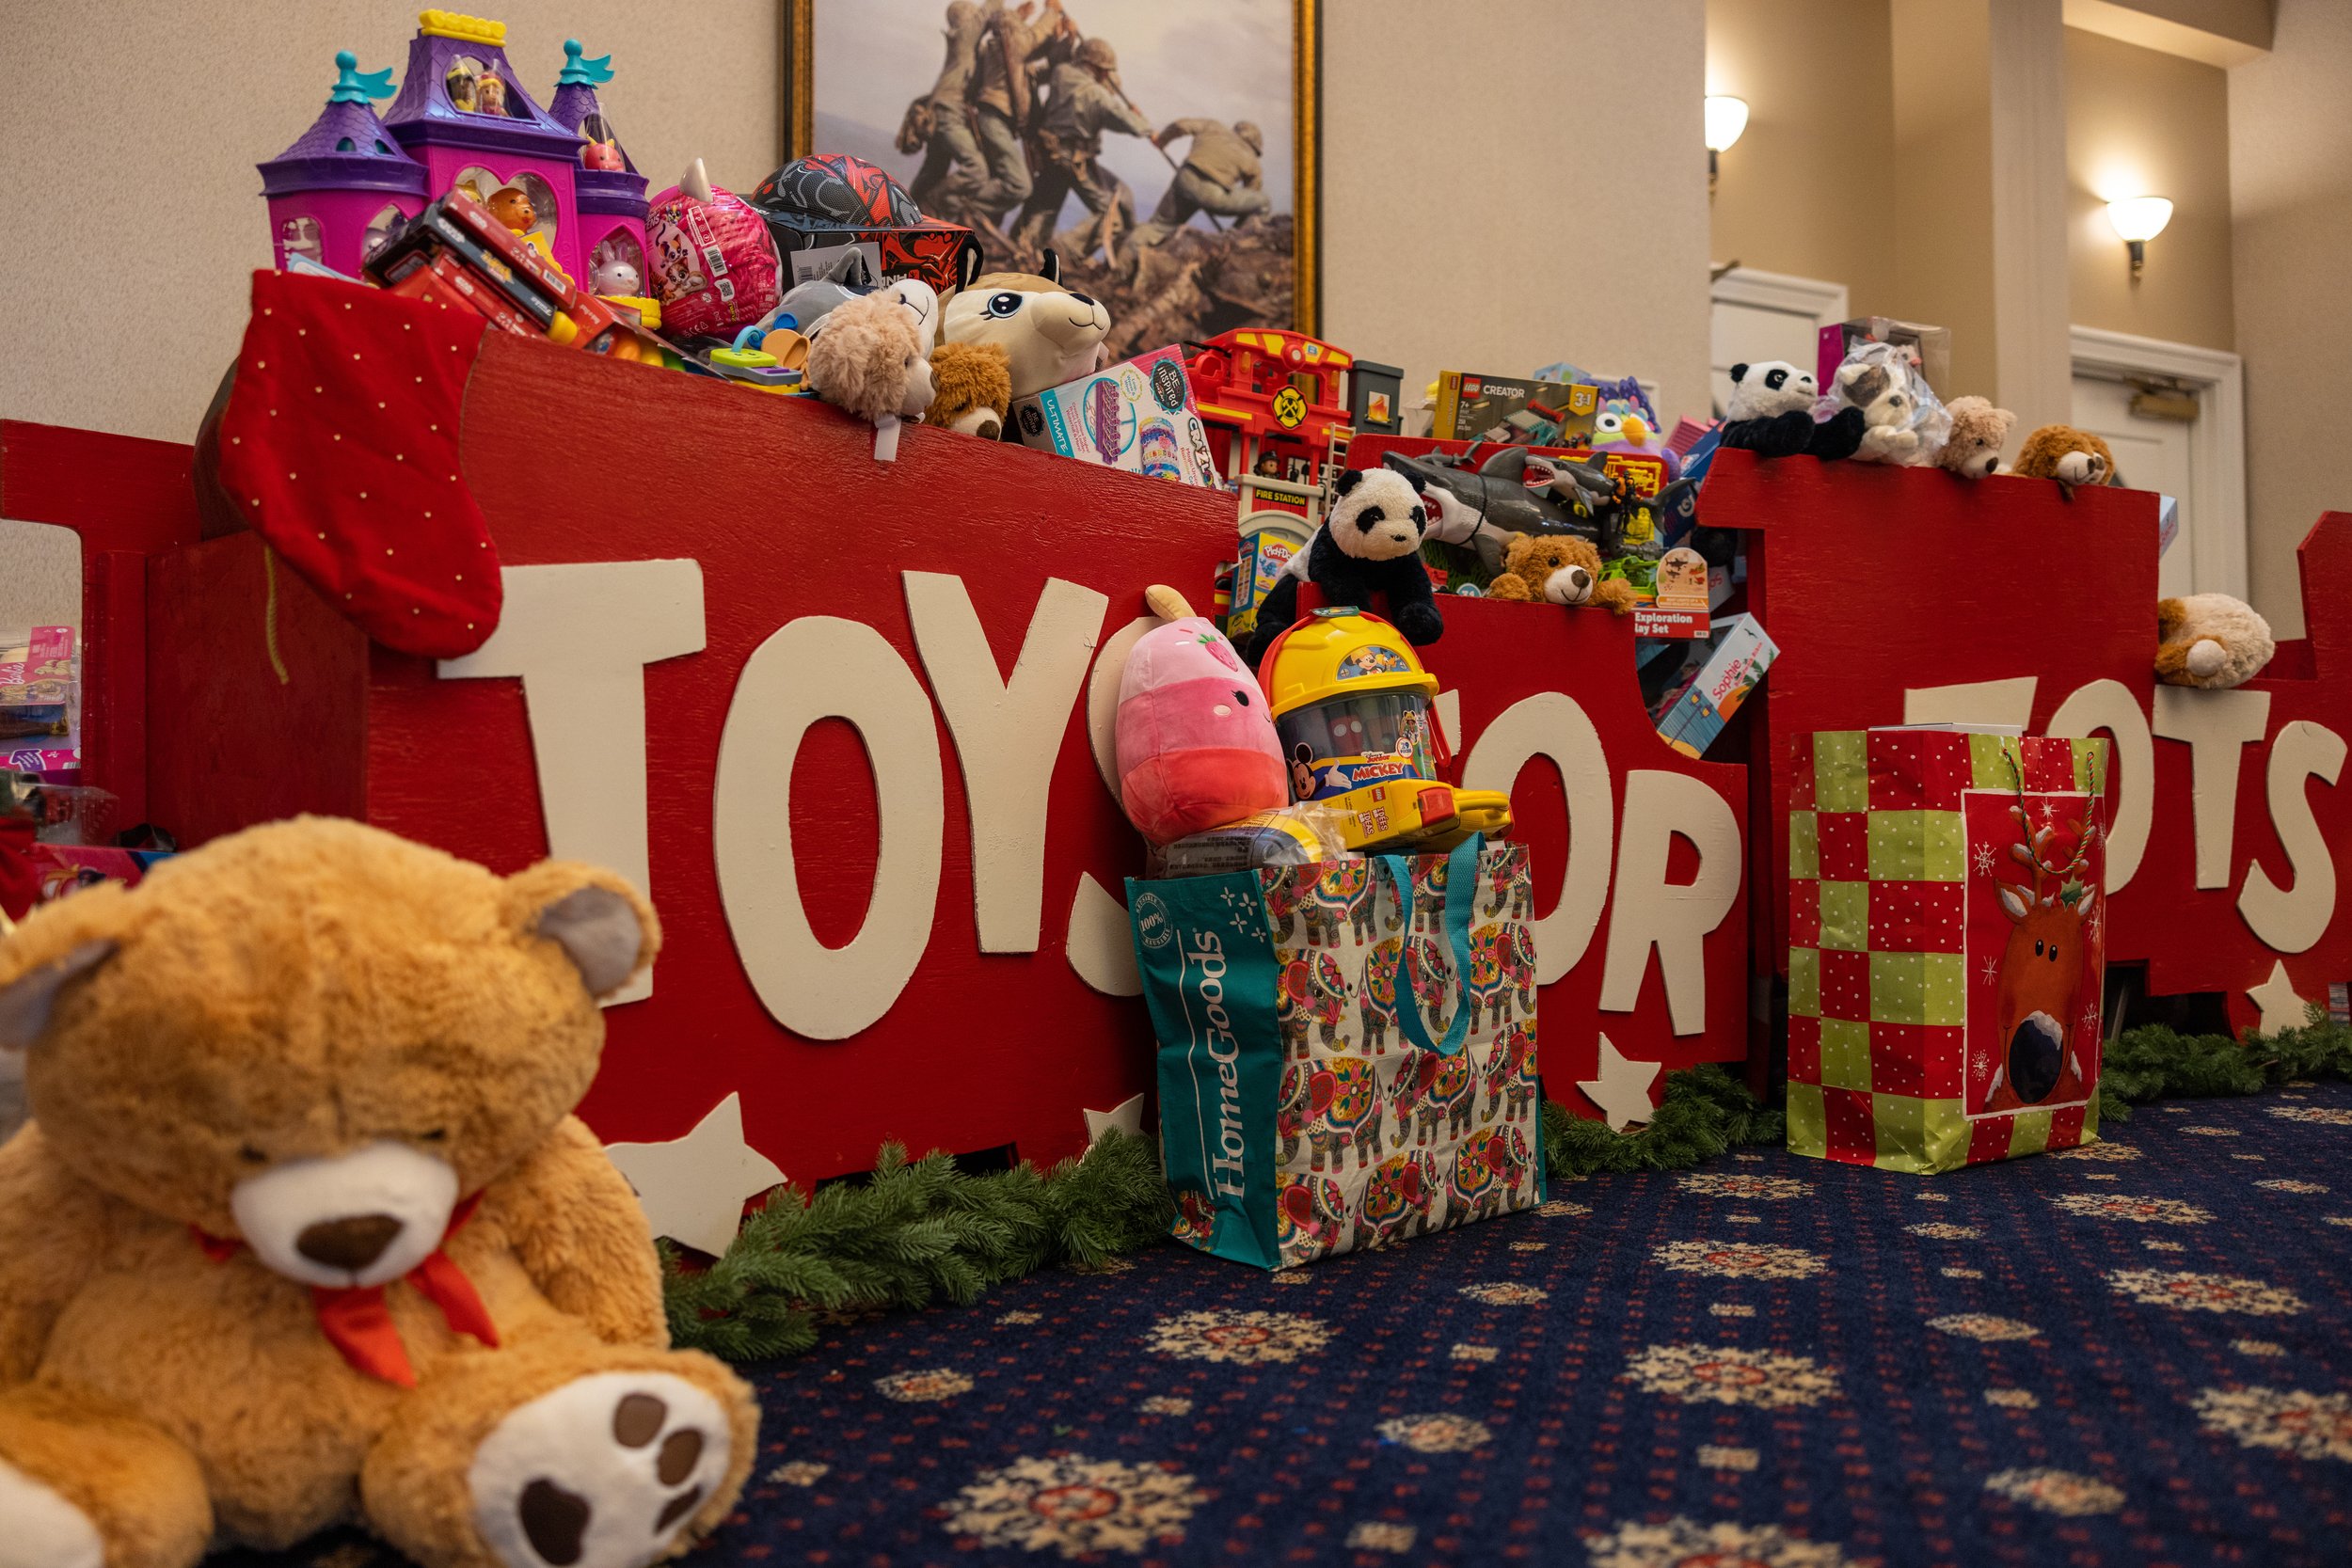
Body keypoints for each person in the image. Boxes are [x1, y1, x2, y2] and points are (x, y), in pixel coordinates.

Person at [1011, 35, 1152, 261]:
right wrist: (1141, 119)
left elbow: (1058, 61)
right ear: (1093, 66)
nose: (1106, 75)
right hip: (1073, 158)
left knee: (1046, 204)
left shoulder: (1061, 73)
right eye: (1104, 70)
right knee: (1111, 215)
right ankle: (1064, 251)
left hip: (1050, 153)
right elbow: (1135, 127)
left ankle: (1026, 245)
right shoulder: (1098, 96)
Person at [966, 0, 1075, 230]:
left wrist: (1065, 41)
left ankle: (977, 226)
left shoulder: (1012, 59)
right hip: (994, 121)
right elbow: (1032, 39)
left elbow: (1044, 67)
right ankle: (964, 207)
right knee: (1019, 185)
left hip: (1000, 124)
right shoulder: (1004, 46)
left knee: (1001, 181)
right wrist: (1051, 12)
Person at [1120, 119, 1271, 269]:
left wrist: (1162, 140)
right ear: (1254, 147)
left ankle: (1121, 265)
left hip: (1185, 179)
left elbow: (1180, 126)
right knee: (1263, 202)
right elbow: (1251, 194)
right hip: (1214, 196)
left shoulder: (1213, 126)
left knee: (1157, 226)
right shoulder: (1253, 162)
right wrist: (1238, 227)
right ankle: (1234, 243)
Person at [898, 1, 989, 219]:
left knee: (934, 169)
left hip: (940, 111)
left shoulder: (967, 47)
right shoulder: (964, 36)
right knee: (977, 170)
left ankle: (907, 215)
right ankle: (934, 202)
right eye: (973, 14)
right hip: (947, 112)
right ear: (966, 19)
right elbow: (987, 12)